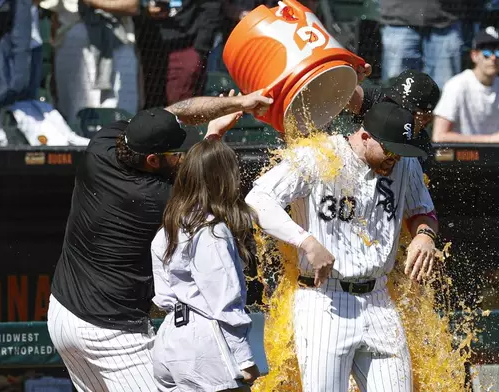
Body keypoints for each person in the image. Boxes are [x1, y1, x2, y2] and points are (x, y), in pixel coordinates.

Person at [46, 91, 272, 392]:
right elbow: (207, 191)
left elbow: (174, 111)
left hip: (62, 313)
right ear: (153, 160)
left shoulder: (104, 143)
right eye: (176, 152)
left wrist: (237, 104)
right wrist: (213, 138)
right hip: (110, 333)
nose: (183, 155)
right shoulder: (157, 198)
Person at [245, 102, 439, 392]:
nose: (396, 158)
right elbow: (257, 200)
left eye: (402, 151)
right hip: (325, 300)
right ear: (364, 137)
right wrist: (306, 240)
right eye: (390, 150)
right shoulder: (317, 155)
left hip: (378, 299)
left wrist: (425, 235)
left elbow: (423, 211)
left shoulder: (405, 164)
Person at [151, 137, 260, 391]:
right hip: (206, 344)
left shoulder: (170, 225)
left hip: (170, 340)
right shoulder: (212, 230)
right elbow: (224, 302)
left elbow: (164, 296)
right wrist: (244, 357)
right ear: (223, 179)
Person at [432, 27, 499, 143]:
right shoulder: (456, 85)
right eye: (487, 53)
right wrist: (490, 140)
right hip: (464, 158)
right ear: (474, 56)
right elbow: (439, 136)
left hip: (497, 158)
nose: (493, 58)